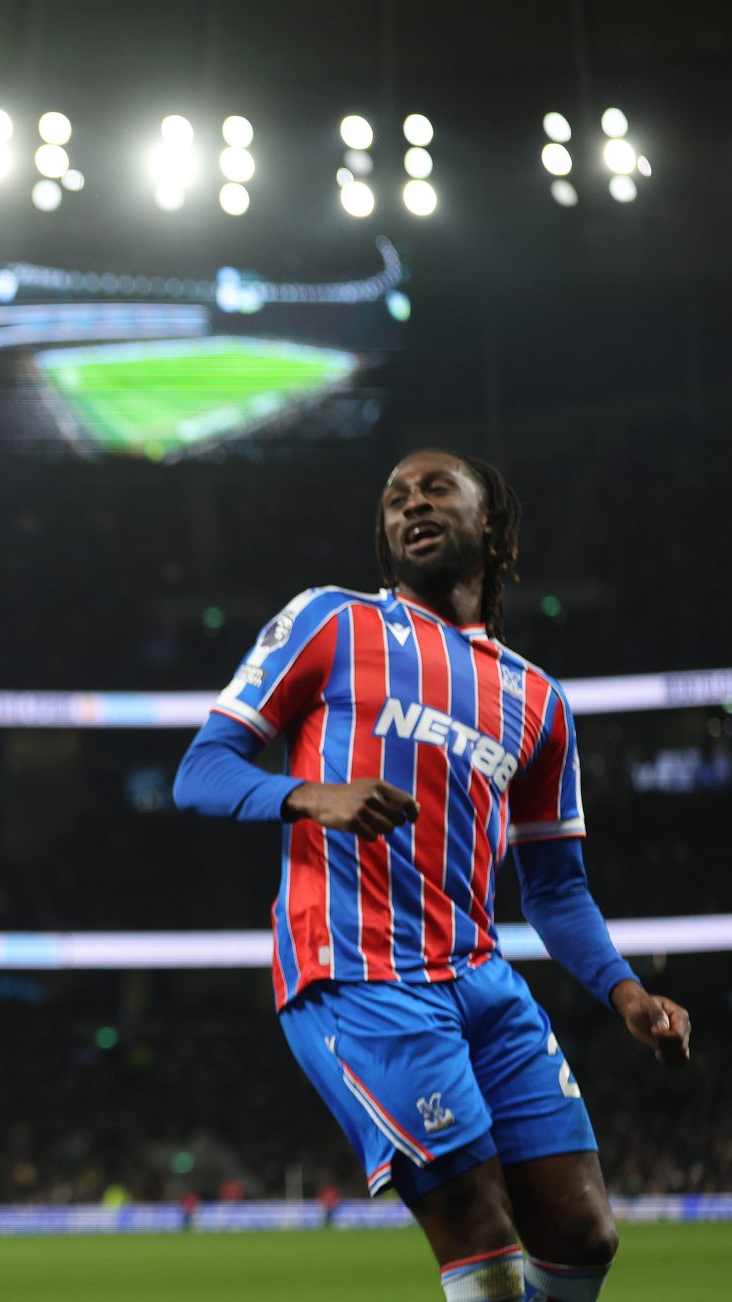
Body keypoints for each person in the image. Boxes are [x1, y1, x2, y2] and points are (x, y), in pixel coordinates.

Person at [172, 450, 692, 1302]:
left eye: (436, 490)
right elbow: (201, 769)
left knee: (584, 1234)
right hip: (359, 974)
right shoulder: (333, 622)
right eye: (394, 499)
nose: (411, 505)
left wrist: (624, 991)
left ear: (489, 523)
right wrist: (307, 795)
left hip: (482, 979)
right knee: (481, 1244)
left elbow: (556, 889)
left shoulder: (538, 699)